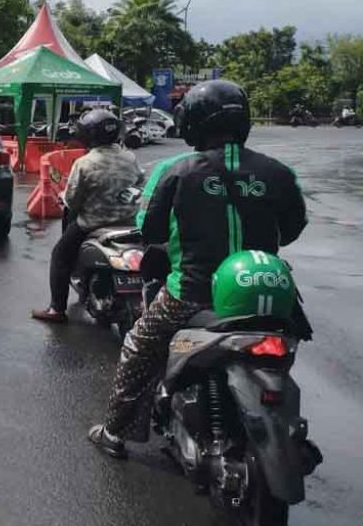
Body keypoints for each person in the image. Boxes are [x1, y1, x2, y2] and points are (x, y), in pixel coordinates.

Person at [87, 80, 308, 459]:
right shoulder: (278, 172)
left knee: (138, 348)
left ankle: (115, 431)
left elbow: (150, 230)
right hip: (271, 294)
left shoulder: (175, 169)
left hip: (191, 292)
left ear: (192, 123)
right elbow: (291, 229)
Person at [32, 109, 144, 323]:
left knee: (60, 255)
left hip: (92, 224)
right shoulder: (130, 157)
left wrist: (64, 197)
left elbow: (73, 200)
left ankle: (56, 309)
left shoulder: (84, 163)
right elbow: (140, 184)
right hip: (129, 223)